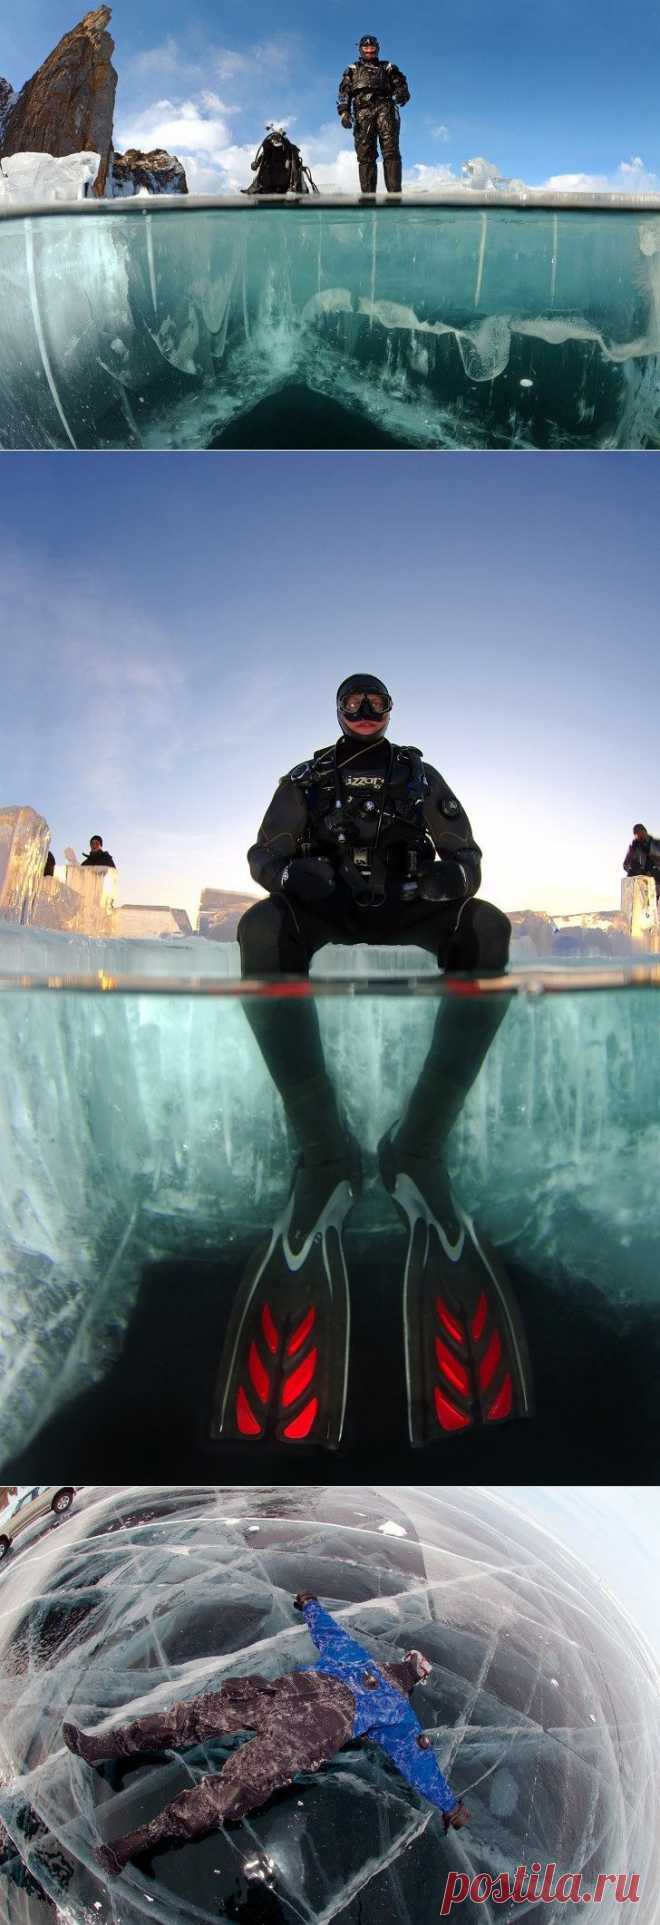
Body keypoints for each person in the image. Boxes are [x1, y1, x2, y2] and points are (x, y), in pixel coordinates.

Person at [210, 674, 533, 1452]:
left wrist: (446, 878)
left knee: (483, 929)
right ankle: (325, 1151)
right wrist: (292, 876)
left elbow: (469, 857)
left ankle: (417, 1144)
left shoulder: (419, 775)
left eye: (374, 703)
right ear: (336, 711)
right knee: (262, 930)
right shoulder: (307, 778)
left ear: (390, 711)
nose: (364, 713)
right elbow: (264, 851)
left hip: (403, 903)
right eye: (353, 703)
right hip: (327, 905)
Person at [62, 1592, 470, 1876]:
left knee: (224, 1793)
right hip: (273, 1698)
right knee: (189, 1719)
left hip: (296, 1744)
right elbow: (328, 1632)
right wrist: (311, 1606)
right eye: (414, 1660)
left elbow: (419, 1762)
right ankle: (103, 1747)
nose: (411, 1666)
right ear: (405, 1658)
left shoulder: (399, 1715)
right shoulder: (358, 1659)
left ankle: (133, 1844)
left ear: (415, 1677)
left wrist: (448, 1803)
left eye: (417, 1668)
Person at [337, 34, 410, 193]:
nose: (369, 50)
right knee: (365, 155)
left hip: (385, 107)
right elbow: (344, 91)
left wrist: (402, 93)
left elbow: (401, 83)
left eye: (372, 47)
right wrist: (344, 112)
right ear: (360, 49)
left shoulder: (387, 67)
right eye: (366, 47)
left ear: (377, 49)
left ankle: (394, 196)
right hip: (362, 111)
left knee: (391, 151)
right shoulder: (352, 69)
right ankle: (368, 198)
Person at [243, 125, 319, 196]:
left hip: (286, 188)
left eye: (277, 138)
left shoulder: (290, 150)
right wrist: (255, 164)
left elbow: (297, 166)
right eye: (274, 139)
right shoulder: (267, 151)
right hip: (267, 188)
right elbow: (254, 167)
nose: (276, 140)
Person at [623, 823, 660, 900]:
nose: (638, 835)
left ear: (645, 831)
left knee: (655, 902)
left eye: (640, 831)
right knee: (645, 903)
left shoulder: (657, 843)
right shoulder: (634, 847)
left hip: (657, 877)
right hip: (642, 881)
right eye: (636, 833)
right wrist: (634, 868)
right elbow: (625, 865)